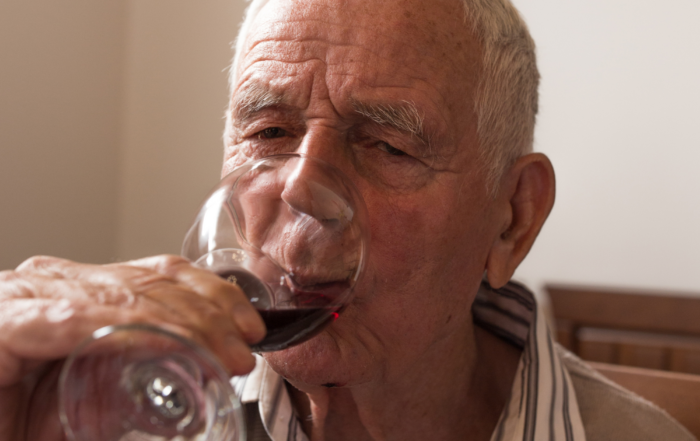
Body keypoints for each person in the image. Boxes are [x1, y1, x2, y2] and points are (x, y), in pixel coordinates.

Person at [0, 0, 694, 440]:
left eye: (388, 145)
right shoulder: (123, 412)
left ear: (513, 219)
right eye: (269, 132)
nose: (300, 189)